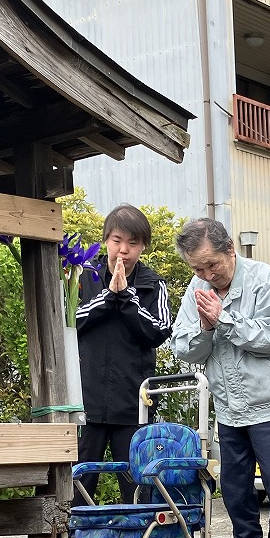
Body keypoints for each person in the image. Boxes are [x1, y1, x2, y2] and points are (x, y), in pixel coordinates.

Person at [170, 217, 270, 538]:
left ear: (230, 249)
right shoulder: (197, 290)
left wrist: (223, 319)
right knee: (235, 489)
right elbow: (184, 348)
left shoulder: (263, 279)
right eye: (198, 269)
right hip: (228, 406)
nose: (207, 275)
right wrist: (207, 328)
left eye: (212, 265)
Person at [73, 204, 172, 506]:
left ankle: (140, 536)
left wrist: (127, 297)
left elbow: (160, 330)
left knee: (137, 486)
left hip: (133, 405)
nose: (124, 250)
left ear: (143, 246)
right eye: (117, 241)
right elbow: (68, 320)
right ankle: (75, 536)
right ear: (106, 240)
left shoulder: (153, 284)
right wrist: (108, 297)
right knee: (77, 485)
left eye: (133, 243)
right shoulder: (83, 275)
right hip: (85, 403)